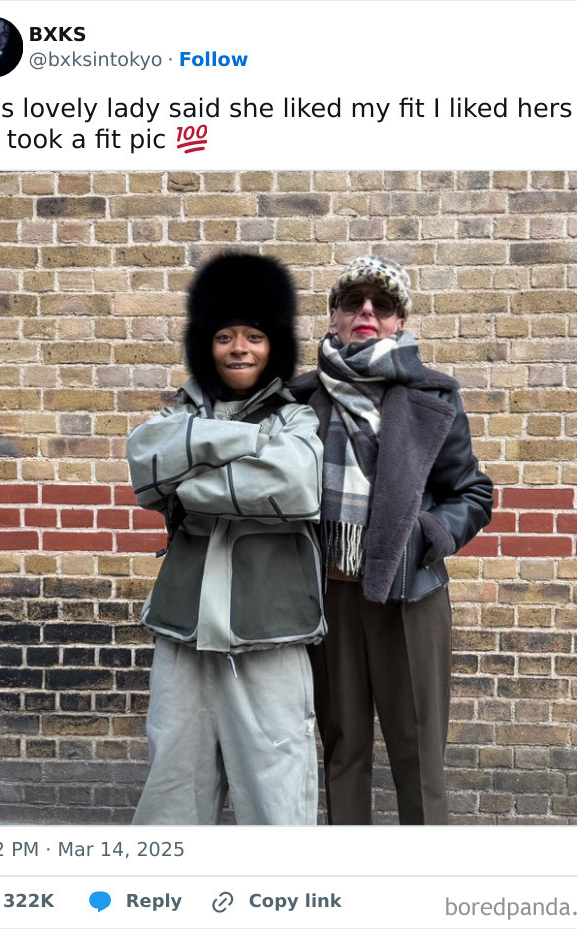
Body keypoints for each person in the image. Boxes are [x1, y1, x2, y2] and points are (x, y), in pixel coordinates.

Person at [291, 255, 494, 825]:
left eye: (382, 306)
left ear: (399, 321)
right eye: (353, 302)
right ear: (333, 316)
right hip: (327, 597)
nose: (366, 313)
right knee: (343, 746)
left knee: (418, 752)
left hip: (411, 597)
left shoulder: (432, 398)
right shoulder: (298, 401)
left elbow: (473, 494)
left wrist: (428, 534)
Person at [127, 253, 326, 825]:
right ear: (205, 345)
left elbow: (295, 484)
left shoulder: (296, 420)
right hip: (183, 628)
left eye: (255, 335)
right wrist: (242, 447)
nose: (239, 347)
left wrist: (188, 483)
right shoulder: (174, 414)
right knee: (173, 789)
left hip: (270, 630)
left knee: (277, 792)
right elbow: (145, 463)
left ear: (275, 346)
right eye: (224, 335)